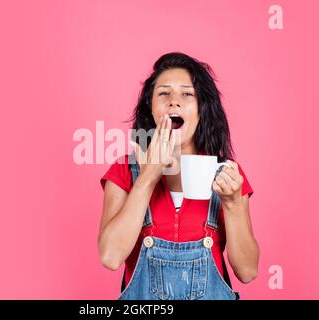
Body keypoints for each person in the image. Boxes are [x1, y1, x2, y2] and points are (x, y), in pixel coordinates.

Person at [98, 52, 259, 300]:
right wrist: (148, 177)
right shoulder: (124, 171)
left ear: (201, 110)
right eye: (164, 93)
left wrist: (233, 204)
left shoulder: (228, 175)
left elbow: (247, 271)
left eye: (187, 93)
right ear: (151, 109)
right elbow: (110, 257)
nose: (174, 102)